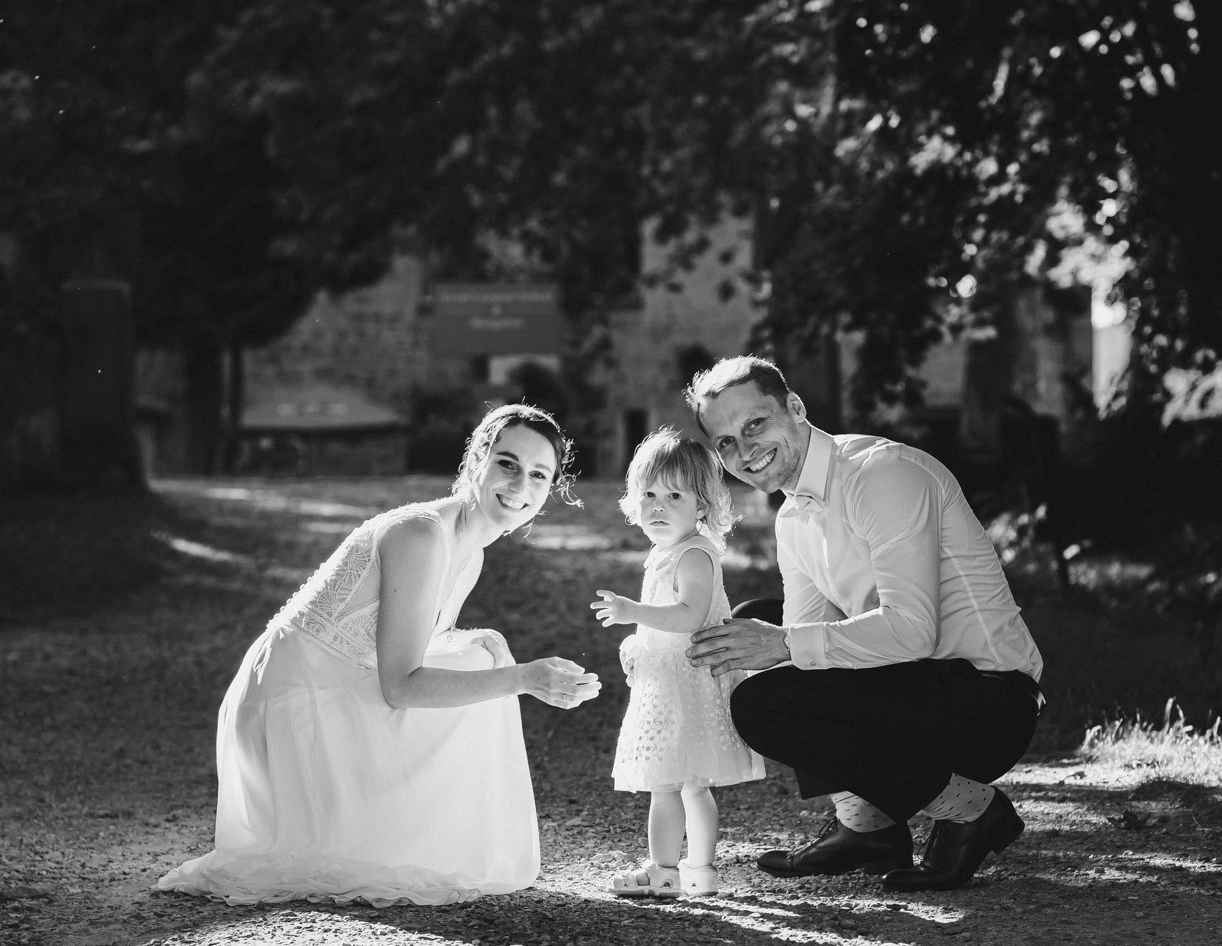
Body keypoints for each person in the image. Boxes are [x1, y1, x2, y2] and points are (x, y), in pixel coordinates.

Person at [156, 404, 600, 907]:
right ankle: (403, 835)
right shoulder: (423, 533)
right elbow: (402, 685)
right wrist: (524, 678)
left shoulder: (469, 553)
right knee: (493, 669)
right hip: (293, 706)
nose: (520, 485)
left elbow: (414, 650)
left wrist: (502, 662)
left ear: (549, 491)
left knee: (483, 655)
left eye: (539, 475)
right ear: (477, 459)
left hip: (334, 691)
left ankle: (437, 837)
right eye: (507, 464)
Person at [686, 357, 1045, 890]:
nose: (745, 451)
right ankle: (868, 828)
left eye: (755, 425)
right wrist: (766, 645)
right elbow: (803, 645)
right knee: (749, 630)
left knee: (763, 694)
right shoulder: (793, 517)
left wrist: (782, 645)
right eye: (726, 443)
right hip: (914, 688)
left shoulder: (881, 475)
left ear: (796, 408)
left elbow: (912, 629)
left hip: (989, 703)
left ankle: (974, 811)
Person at [592, 427, 764, 898]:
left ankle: (666, 870)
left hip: (686, 683)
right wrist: (637, 645)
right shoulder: (664, 552)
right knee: (687, 785)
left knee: (670, 785)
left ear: (702, 506)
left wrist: (631, 614)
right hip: (671, 679)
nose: (658, 507)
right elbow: (664, 628)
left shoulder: (693, 555)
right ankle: (698, 871)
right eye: (648, 494)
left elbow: (689, 616)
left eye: (673, 495)